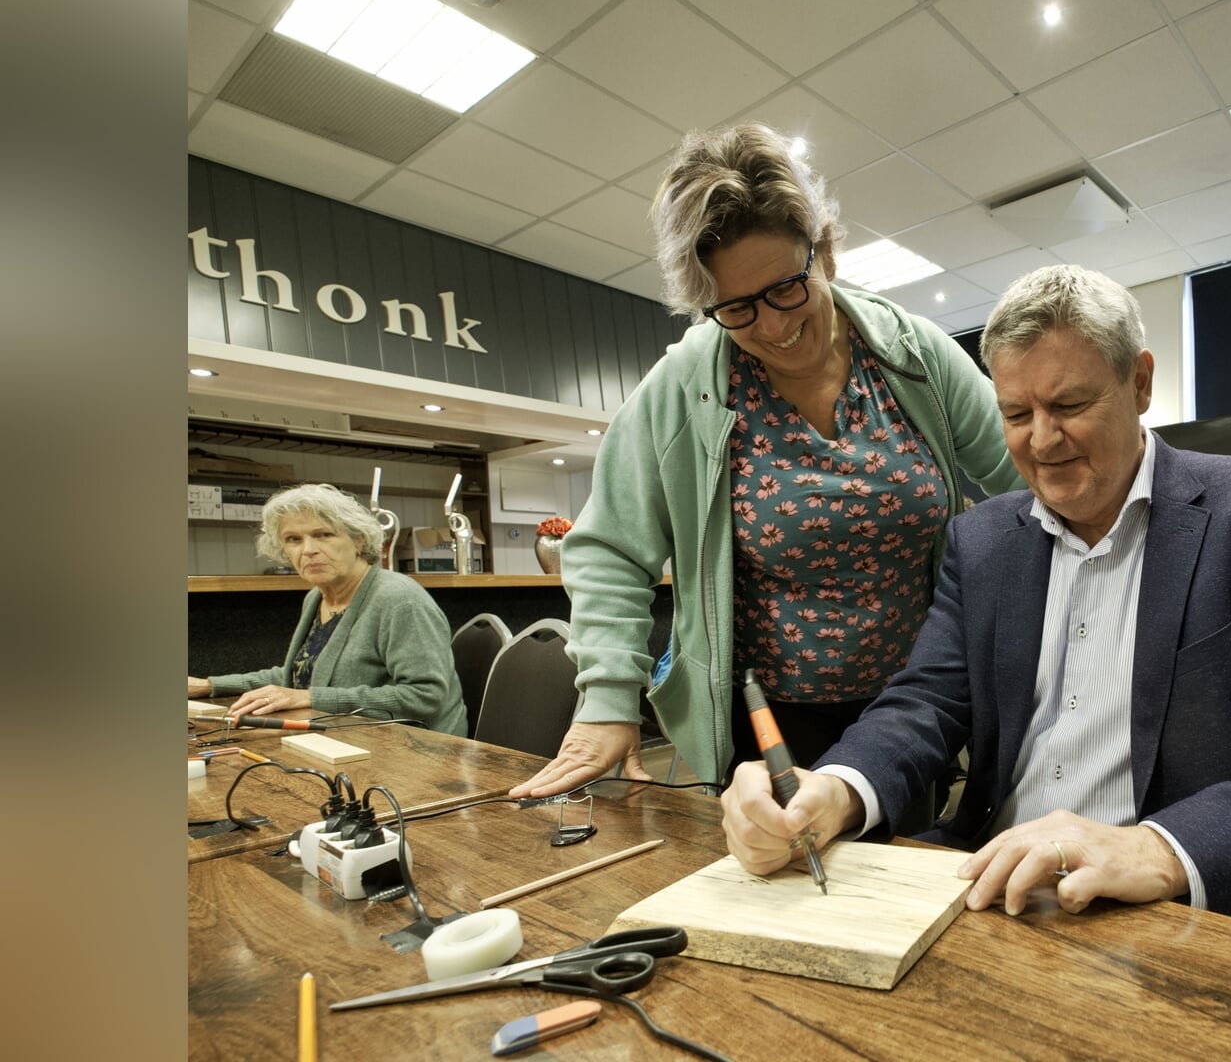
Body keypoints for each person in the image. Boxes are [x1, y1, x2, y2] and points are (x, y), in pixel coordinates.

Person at [720, 265, 1231, 936]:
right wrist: (836, 789)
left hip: (1180, 911)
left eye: (1069, 404)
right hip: (987, 893)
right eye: (1015, 412)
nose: (1041, 440)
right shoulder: (982, 543)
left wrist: (1161, 848)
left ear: (1140, 383)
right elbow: (923, 704)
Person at [510, 124, 1021, 807]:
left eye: (786, 288)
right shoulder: (687, 386)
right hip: (767, 715)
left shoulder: (911, 355)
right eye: (738, 308)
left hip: (913, 706)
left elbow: (1025, 477)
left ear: (825, 252)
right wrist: (608, 698)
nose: (775, 327)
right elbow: (609, 549)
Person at [187, 483, 465, 735]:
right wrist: (209, 685)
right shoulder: (316, 598)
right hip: (348, 737)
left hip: (418, 751)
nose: (308, 549)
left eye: (324, 535)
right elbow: (298, 675)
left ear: (358, 540)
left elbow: (426, 696)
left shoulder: (399, 600)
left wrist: (309, 697)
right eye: (293, 539)